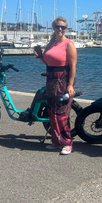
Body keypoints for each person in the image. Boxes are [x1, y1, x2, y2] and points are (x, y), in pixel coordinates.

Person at [34, 16, 77, 155]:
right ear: (53, 27)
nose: (60, 29)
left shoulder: (68, 44)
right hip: (51, 79)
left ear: (66, 29)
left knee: (62, 113)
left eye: (63, 27)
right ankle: (57, 141)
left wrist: (70, 85)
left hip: (63, 80)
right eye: (58, 26)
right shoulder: (51, 43)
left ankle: (67, 142)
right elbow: (48, 63)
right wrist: (40, 56)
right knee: (52, 112)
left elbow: (73, 66)